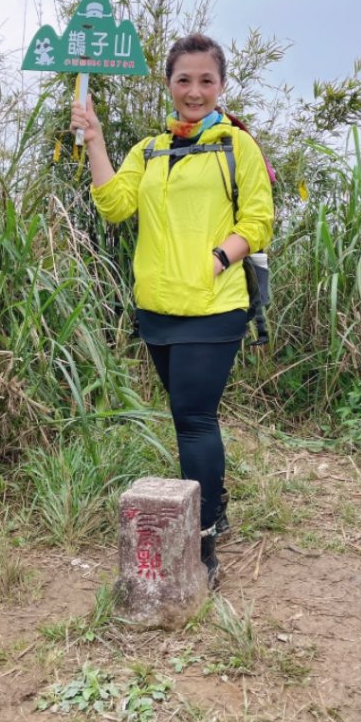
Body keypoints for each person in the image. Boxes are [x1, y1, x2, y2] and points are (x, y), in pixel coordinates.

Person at [70, 33, 274, 587]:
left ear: (221, 85)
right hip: (157, 306)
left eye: (206, 80)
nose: (195, 91)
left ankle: (202, 543)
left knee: (194, 420)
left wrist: (217, 258)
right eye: (184, 79)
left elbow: (258, 219)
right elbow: (115, 206)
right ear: (169, 84)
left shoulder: (238, 146)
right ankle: (218, 502)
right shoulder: (150, 150)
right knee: (187, 415)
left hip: (214, 305)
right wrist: (95, 141)